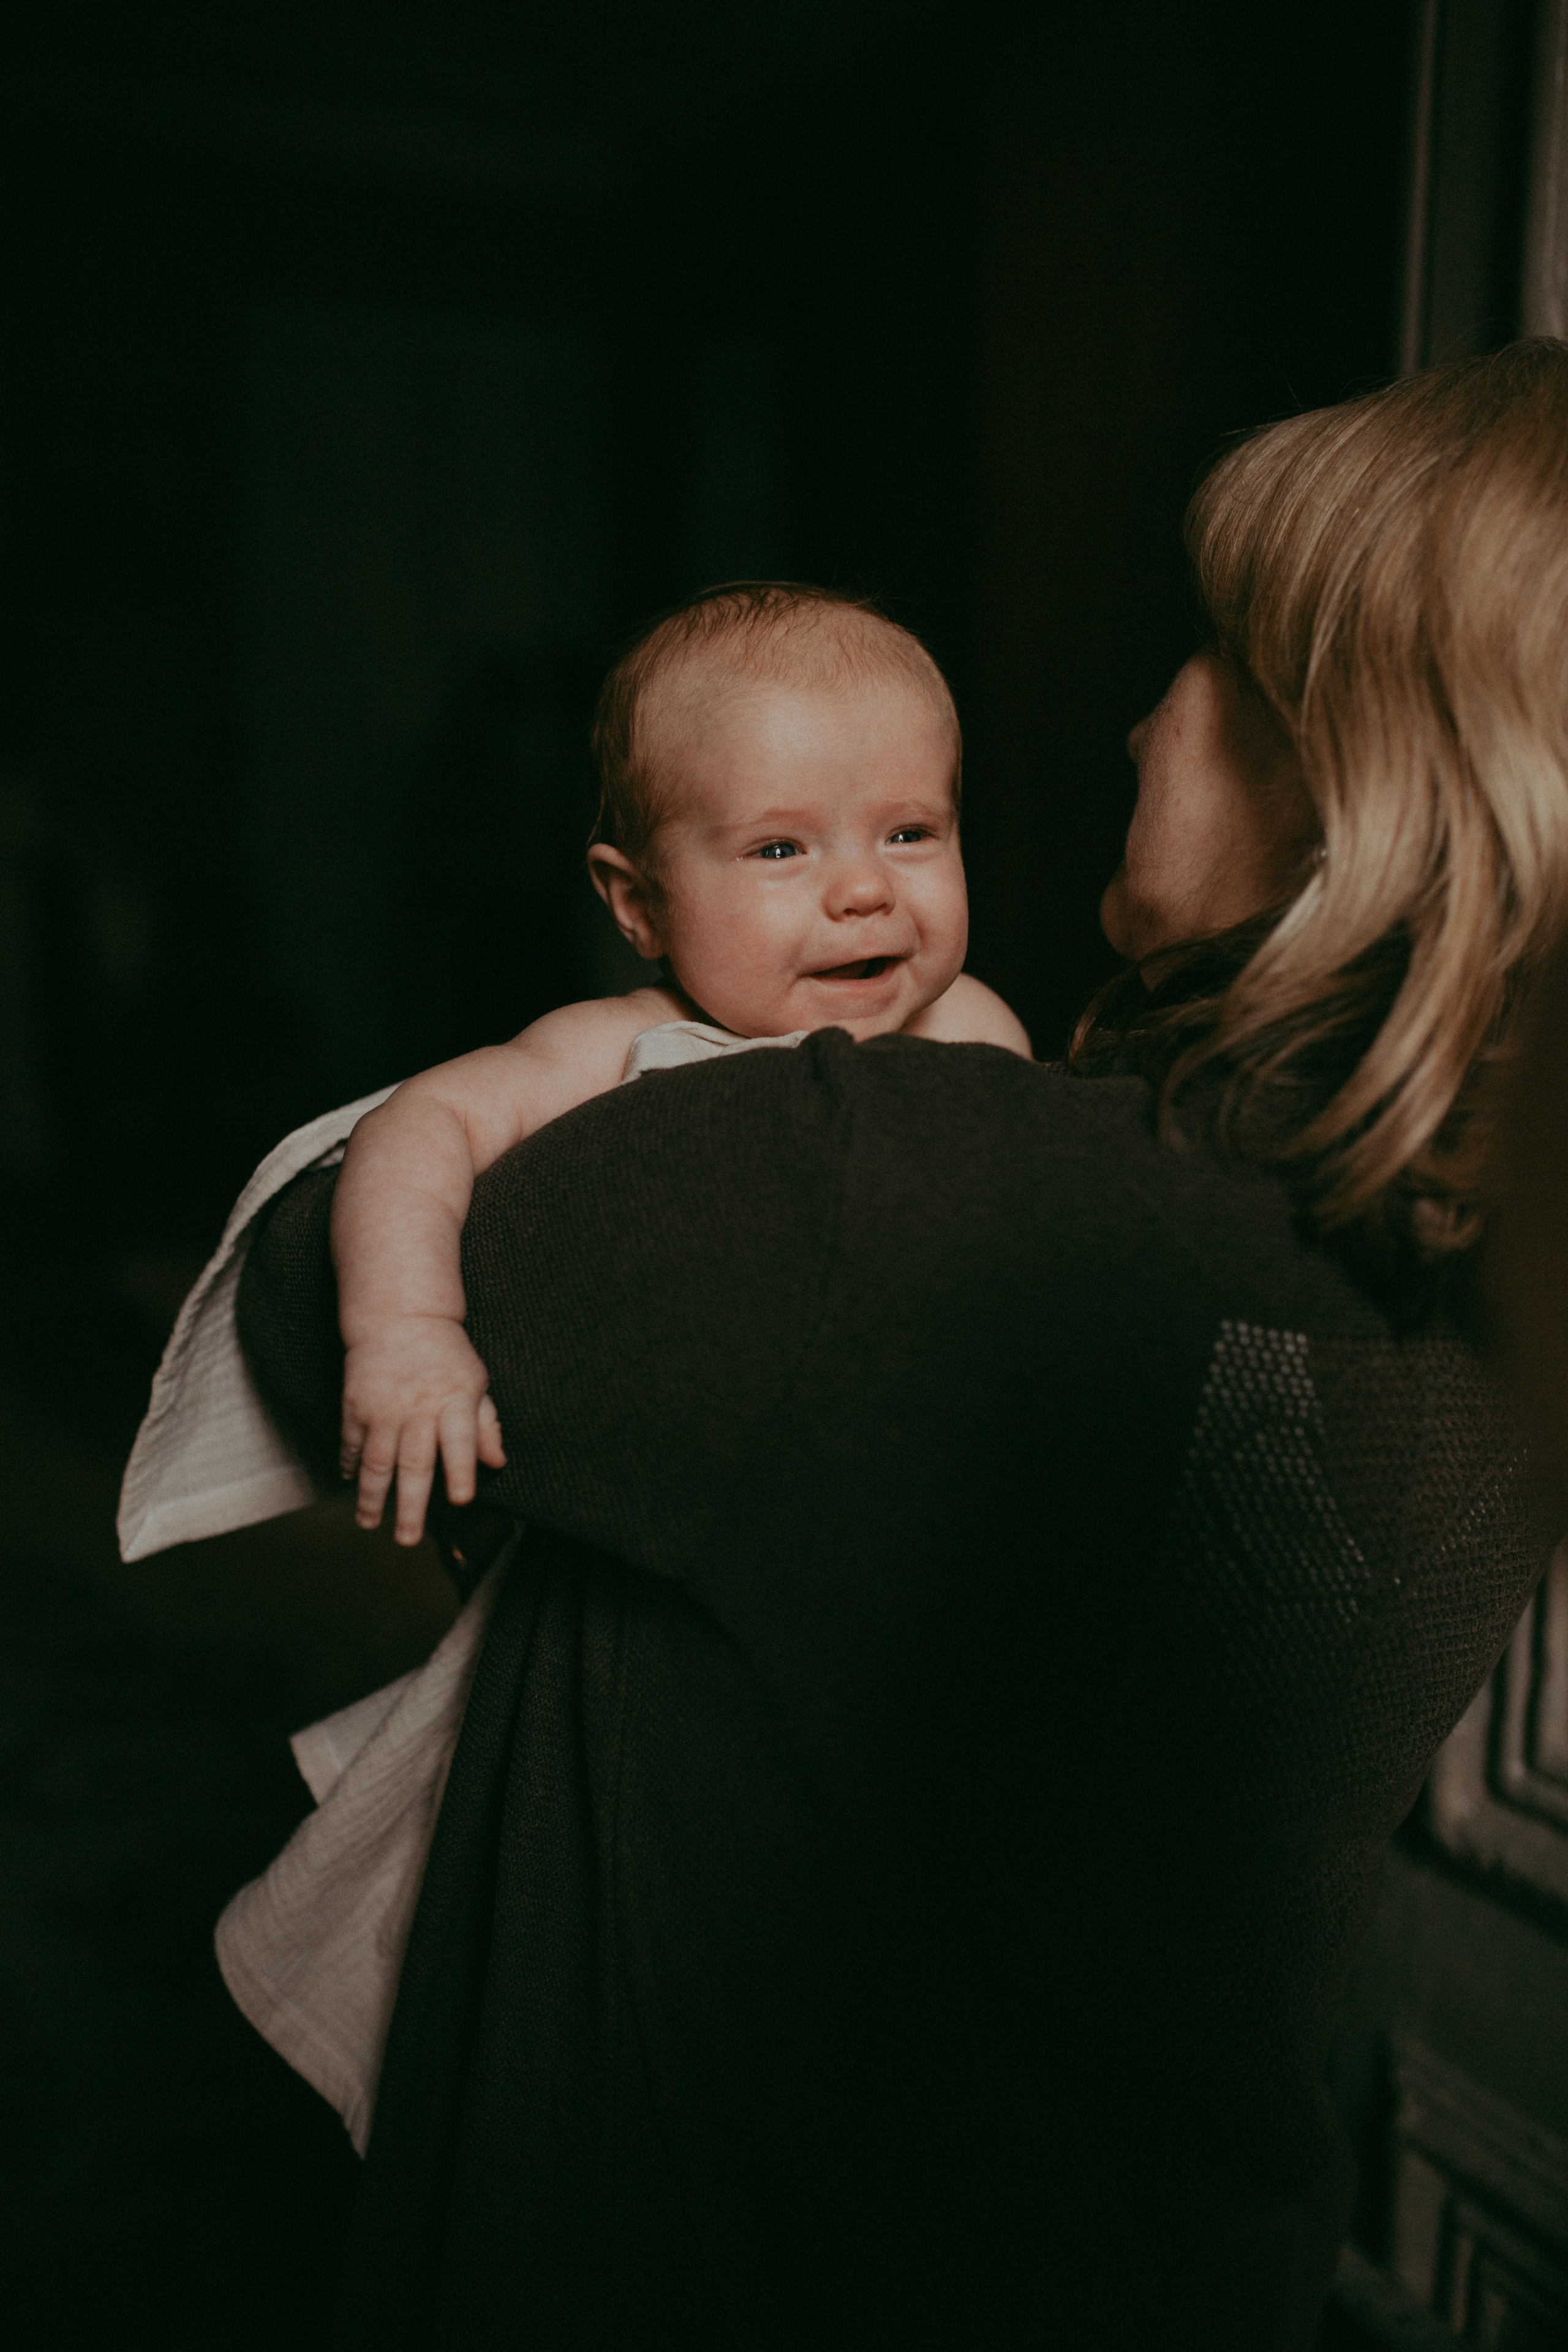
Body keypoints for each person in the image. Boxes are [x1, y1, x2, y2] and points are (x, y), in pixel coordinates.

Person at [236, 342, 1568, 2350]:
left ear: (1344, 770)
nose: (1140, 709)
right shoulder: (1481, 1278)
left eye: (1204, 649)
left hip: (735, 2245)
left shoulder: (875, 1187)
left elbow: (280, 1301)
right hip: (1160, 2235)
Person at [330, 582, 1028, 1549]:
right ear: (639, 904)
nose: (866, 889)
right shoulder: (618, 1042)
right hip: (667, 1507)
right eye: (780, 848)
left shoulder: (978, 1031)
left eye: (909, 834)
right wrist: (408, 1329)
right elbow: (416, 1125)